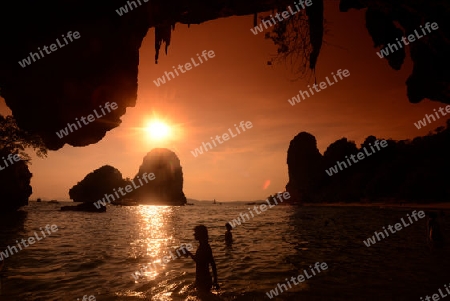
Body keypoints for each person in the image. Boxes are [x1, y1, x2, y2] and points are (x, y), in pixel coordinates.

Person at [184, 225, 219, 292]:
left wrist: (189, 253)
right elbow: (211, 263)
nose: (194, 234)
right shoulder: (205, 246)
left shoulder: (204, 247)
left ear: (200, 234)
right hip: (203, 278)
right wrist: (215, 281)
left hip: (203, 279)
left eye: (196, 232)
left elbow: (200, 261)